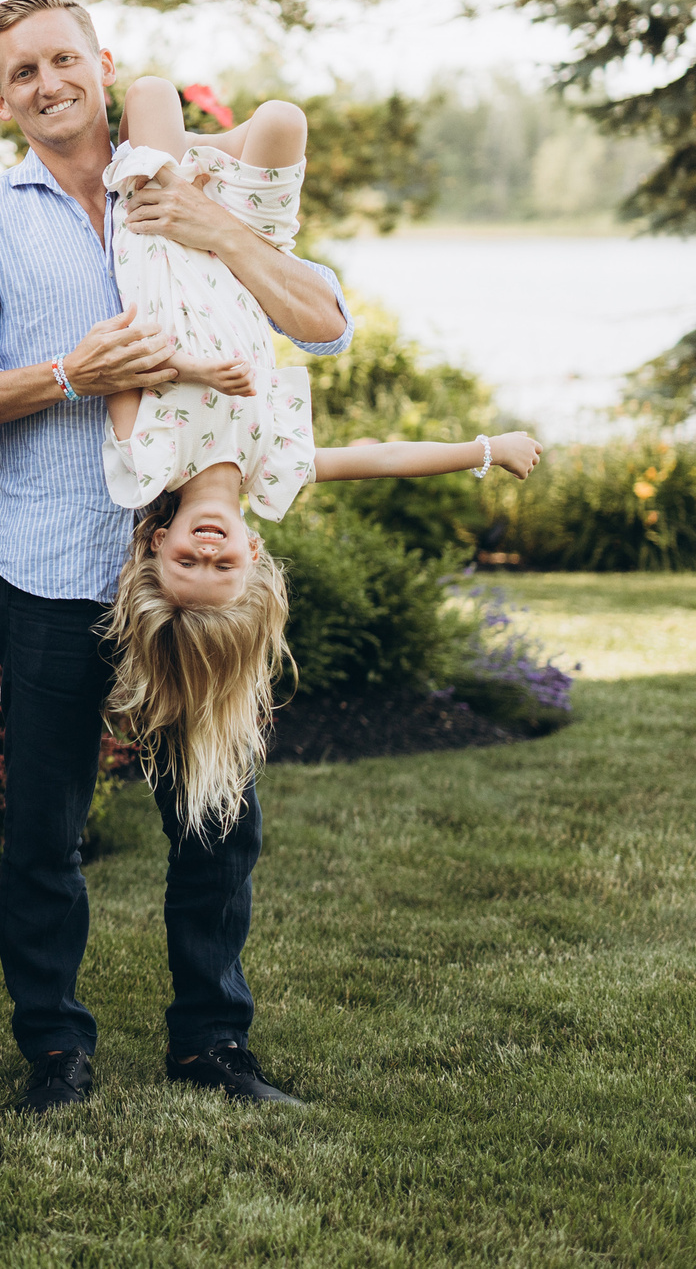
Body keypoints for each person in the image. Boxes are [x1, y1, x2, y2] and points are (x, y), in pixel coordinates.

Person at [0, 0, 354, 1115]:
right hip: (56, 566)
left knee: (215, 816)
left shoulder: (187, 172)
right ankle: (55, 1052)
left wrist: (212, 227)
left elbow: (324, 319)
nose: (47, 84)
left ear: (99, 63)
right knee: (44, 832)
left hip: (198, 575)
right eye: (21, 73)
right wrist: (67, 378)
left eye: (63, 60)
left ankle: (212, 1041)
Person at [97, 74, 545, 836]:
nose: (207, 555)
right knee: (281, 122)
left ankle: (190, 157)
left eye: (187, 566)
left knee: (147, 92)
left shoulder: (147, 467)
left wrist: (196, 372)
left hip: (160, 238)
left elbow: (119, 362)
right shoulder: (275, 475)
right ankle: (211, 154)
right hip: (249, 255)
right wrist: (483, 449)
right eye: (223, 568)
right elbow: (380, 456)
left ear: (155, 545)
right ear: (252, 551)